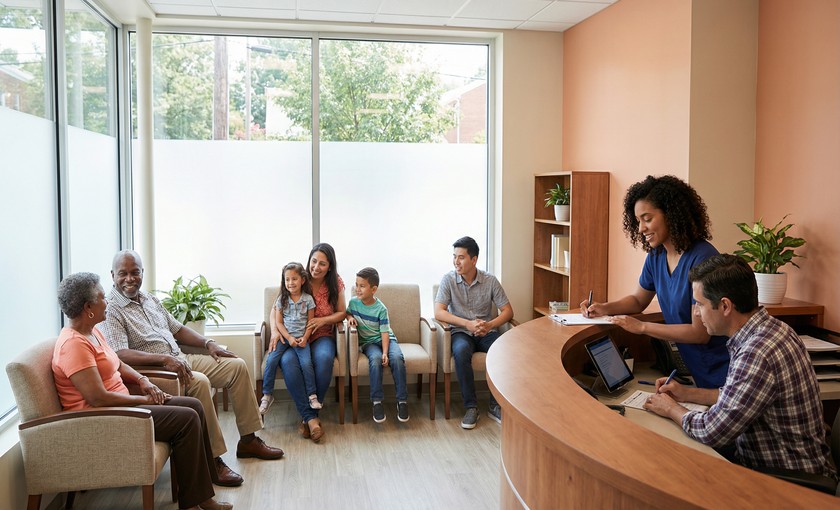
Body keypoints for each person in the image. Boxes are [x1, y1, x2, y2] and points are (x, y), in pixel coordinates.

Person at [100, 250, 284, 488]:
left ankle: (248, 440)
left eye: (135, 272)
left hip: (182, 358)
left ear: (142, 273)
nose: (129, 278)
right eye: (123, 273)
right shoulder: (111, 309)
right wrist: (163, 360)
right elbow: (119, 353)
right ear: (112, 275)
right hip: (160, 371)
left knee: (237, 366)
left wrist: (209, 344)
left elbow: (177, 329)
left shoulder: (149, 299)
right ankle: (212, 459)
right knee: (200, 382)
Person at [644, 254, 836, 479]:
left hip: (786, 480)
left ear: (725, 306)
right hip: (783, 465)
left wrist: (669, 408)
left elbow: (712, 431)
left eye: (700, 304)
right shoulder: (772, 329)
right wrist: (687, 393)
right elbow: (738, 396)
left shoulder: (757, 351)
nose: (695, 312)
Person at [52, 272, 232, 510]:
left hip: (122, 406)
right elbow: (98, 398)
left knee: (194, 406)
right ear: (88, 307)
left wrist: (142, 379)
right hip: (104, 419)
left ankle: (202, 497)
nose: (107, 301)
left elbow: (117, 362)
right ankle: (192, 504)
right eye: (103, 297)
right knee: (186, 419)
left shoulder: (92, 332)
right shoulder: (73, 345)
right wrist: (144, 399)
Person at [580, 175, 729, 389]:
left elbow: (700, 333)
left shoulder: (703, 259)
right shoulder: (656, 256)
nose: (641, 228)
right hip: (699, 372)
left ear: (671, 214)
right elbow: (637, 300)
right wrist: (604, 308)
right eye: (638, 221)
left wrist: (641, 327)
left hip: (723, 370)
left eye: (647, 219)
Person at [434, 236, 514, 429]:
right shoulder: (448, 280)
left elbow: (508, 311)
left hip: (486, 331)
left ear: (474, 259)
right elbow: (439, 312)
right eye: (454, 257)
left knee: (502, 351)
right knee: (461, 352)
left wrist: (489, 325)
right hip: (461, 331)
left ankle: (496, 405)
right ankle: (471, 407)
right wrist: (467, 324)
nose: (456, 262)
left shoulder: (490, 281)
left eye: (461, 257)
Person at [277, 243, 347, 443]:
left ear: (330, 267)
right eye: (314, 261)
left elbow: (342, 312)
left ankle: (307, 417)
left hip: (322, 334)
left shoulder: (336, 282)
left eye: (322, 264)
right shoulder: (299, 277)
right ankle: (311, 419)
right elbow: (278, 304)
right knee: (289, 362)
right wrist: (275, 330)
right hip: (296, 336)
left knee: (324, 359)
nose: (316, 267)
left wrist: (322, 321)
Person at [346, 267, 409, 423]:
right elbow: (346, 312)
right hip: (368, 343)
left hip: (386, 339)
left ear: (373, 289)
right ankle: (376, 402)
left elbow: (385, 333)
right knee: (374, 361)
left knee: (397, 359)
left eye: (362, 286)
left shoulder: (381, 309)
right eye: (356, 284)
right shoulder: (353, 302)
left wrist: (386, 353)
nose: (357, 289)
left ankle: (402, 401)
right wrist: (349, 318)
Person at [260, 262, 318, 416]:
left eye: (294, 279)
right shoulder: (281, 299)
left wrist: (305, 338)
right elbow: (278, 322)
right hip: (285, 338)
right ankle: (267, 395)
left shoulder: (308, 300)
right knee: (271, 360)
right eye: (287, 279)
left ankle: (312, 395)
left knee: (306, 363)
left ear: (302, 280)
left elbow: (310, 323)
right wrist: (289, 337)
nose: (290, 283)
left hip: (301, 340)